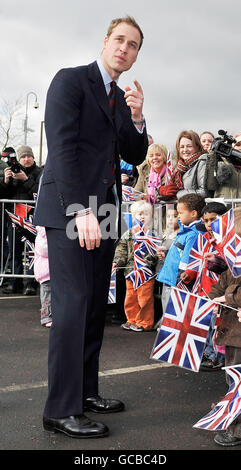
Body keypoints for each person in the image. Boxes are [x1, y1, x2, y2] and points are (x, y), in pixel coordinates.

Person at [33, 16, 148, 438]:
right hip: (72, 212)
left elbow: (134, 155)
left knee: (94, 309)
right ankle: (60, 409)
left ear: (136, 55)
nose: (125, 48)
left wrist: (138, 118)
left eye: (133, 45)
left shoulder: (118, 97)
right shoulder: (71, 81)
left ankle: (84, 393)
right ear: (105, 42)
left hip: (105, 214)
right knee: (73, 307)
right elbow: (62, 148)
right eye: (119, 40)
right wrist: (80, 210)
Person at [206, 206, 241, 446]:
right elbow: (227, 278)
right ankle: (231, 408)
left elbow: (234, 289)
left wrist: (227, 297)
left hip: (238, 333)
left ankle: (237, 427)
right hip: (231, 330)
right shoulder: (234, 261)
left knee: (238, 376)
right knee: (233, 375)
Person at [180, 201, 228, 370]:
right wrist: (189, 274)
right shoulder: (202, 240)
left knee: (218, 326)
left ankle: (218, 358)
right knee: (206, 325)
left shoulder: (227, 241)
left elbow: (228, 267)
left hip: (219, 292)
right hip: (202, 289)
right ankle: (208, 352)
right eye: (205, 221)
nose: (208, 224)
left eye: (213, 220)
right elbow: (194, 263)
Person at [1, 145, 42, 294]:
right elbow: (3, 194)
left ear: (33, 157)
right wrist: (6, 180)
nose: (26, 159)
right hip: (14, 217)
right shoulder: (12, 172)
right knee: (14, 250)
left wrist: (25, 179)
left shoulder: (40, 173)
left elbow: (39, 193)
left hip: (33, 217)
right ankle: (14, 282)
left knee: (32, 251)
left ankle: (31, 283)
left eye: (28, 156)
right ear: (19, 159)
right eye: (23, 157)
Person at [113, 200, 157, 332]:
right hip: (130, 271)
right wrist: (117, 262)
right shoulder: (129, 234)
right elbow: (122, 250)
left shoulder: (153, 235)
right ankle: (131, 320)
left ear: (152, 216)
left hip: (146, 272)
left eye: (147, 214)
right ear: (133, 215)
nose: (143, 217)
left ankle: (144, 322)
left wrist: (151, 259)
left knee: (145, 298)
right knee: (130, 297)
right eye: (140, 214)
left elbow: (155, 252)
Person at [156, 194, 206, 309]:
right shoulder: (186, 231)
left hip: (176, 282)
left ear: (193, 214)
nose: (178, 216)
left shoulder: (193, 234)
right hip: (171, 278)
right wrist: (167, 254)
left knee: (171, 317)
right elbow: (180, 253)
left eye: (181, 213)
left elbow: (187, 261)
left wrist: (179, 283)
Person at [157, 130, 209, 200]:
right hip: (182, 209)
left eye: (189, 146)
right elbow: (171, 191)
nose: (185, 150)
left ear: (197, 147)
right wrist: (160, 191)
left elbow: (204, 193)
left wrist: (178, 194)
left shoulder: (202, 162)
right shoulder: (179, 168)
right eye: (182, 147)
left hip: (197, 209)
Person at [211, 132, 241, 199]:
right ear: (233, 147)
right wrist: (212, 155)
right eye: (238, 145)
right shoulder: (219, 163)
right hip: (223, 207)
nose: (240, 148)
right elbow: (209, 186)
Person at [34, 226, 52, 327]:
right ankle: (45, 317)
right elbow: (43, 250)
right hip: (45, 272)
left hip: (53, 271)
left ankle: (53, 315)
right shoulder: (42, 234)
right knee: (47, 297)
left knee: (53, 296)